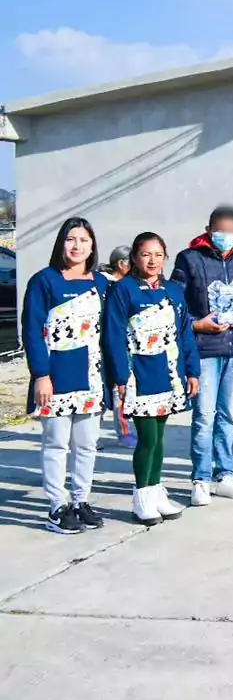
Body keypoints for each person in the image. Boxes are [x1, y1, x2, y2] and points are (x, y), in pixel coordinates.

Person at [103, 232, 201, 526]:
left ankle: (157, 491)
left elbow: (185, 332)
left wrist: (192, 371)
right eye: (146, 254)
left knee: (159, 438)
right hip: (139, 373)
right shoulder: (124, 290)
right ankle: (141, 496)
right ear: (134, 257)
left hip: (168, 372)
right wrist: (120, 376)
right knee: (146, 438)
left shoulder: (173, 290)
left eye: (158, 254)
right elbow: (113, 335)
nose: (153, 260)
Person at [23, 217, 111, 534]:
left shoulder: (101, 283)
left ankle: (80, 501)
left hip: (92, 375)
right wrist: (41, 375)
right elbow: (32, 331)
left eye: (84, 240)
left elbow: (110, 331)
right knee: (56, 444)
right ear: (61, 243)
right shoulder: (43, 281)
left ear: (92, 245)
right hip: (56, 376)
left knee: (87, 445)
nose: (77, 246)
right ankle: (57, 507)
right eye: (71, 239)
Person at [172, 205, 233, 506]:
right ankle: (201, 478)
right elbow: (176, 304)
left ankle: (226, 475)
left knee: (228, 415)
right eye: (220, 230)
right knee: (204, 416)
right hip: (205, 349)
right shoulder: (189, 258)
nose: (226, 236)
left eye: (232, 230)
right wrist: (198, 325)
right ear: (209, 230)